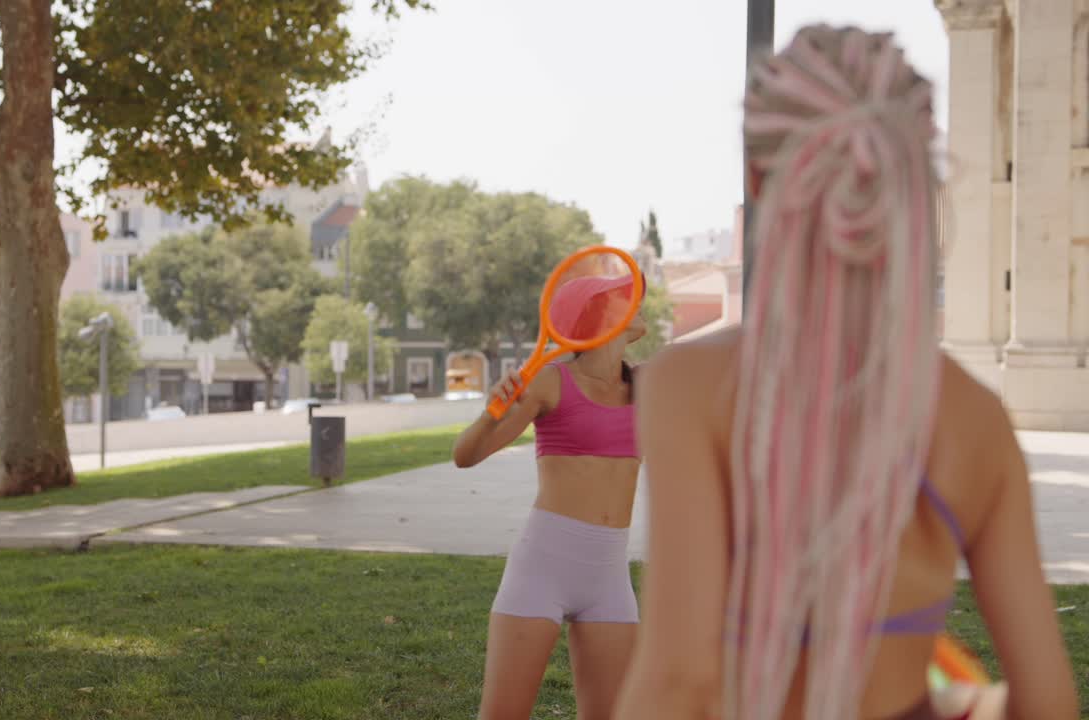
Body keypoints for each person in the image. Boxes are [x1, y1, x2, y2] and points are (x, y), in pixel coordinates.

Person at [614, 25, 1078, 720]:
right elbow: (1047, 703)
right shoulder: (975, 418)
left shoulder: (692, 388)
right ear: (912, 176)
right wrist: (965, 706)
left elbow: (680, 681)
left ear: (757, 178)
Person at [453, 272, 648, 720]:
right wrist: (489, 414)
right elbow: (465, 455)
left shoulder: (644, 389)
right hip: (543, 567)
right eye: (620, 297)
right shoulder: (550, 381)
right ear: (595, 318)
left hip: (610, 577)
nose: (635, 302)